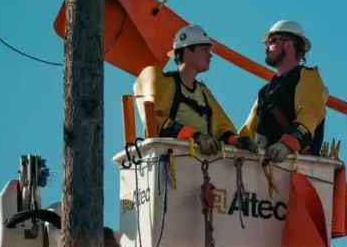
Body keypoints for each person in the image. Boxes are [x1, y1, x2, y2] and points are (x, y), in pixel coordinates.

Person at [133, 24, 257, 155]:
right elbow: (157, 120)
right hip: (171, 159)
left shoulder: (203, 93)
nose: (210, 55)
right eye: (205, 50)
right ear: (187, 51)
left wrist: (235, 140)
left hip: (201, 162)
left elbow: (221, 128)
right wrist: (196, 136)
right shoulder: (164, 83)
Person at [238, 20, 328, 163]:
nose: (266, 48)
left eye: (271, 41)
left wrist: (287, 145)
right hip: (262, 164)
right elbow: (248, 129)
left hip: (296, 165)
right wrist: (236, 141)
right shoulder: (265, 91)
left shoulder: (306, 77)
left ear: (288, 45)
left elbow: (309, 116)